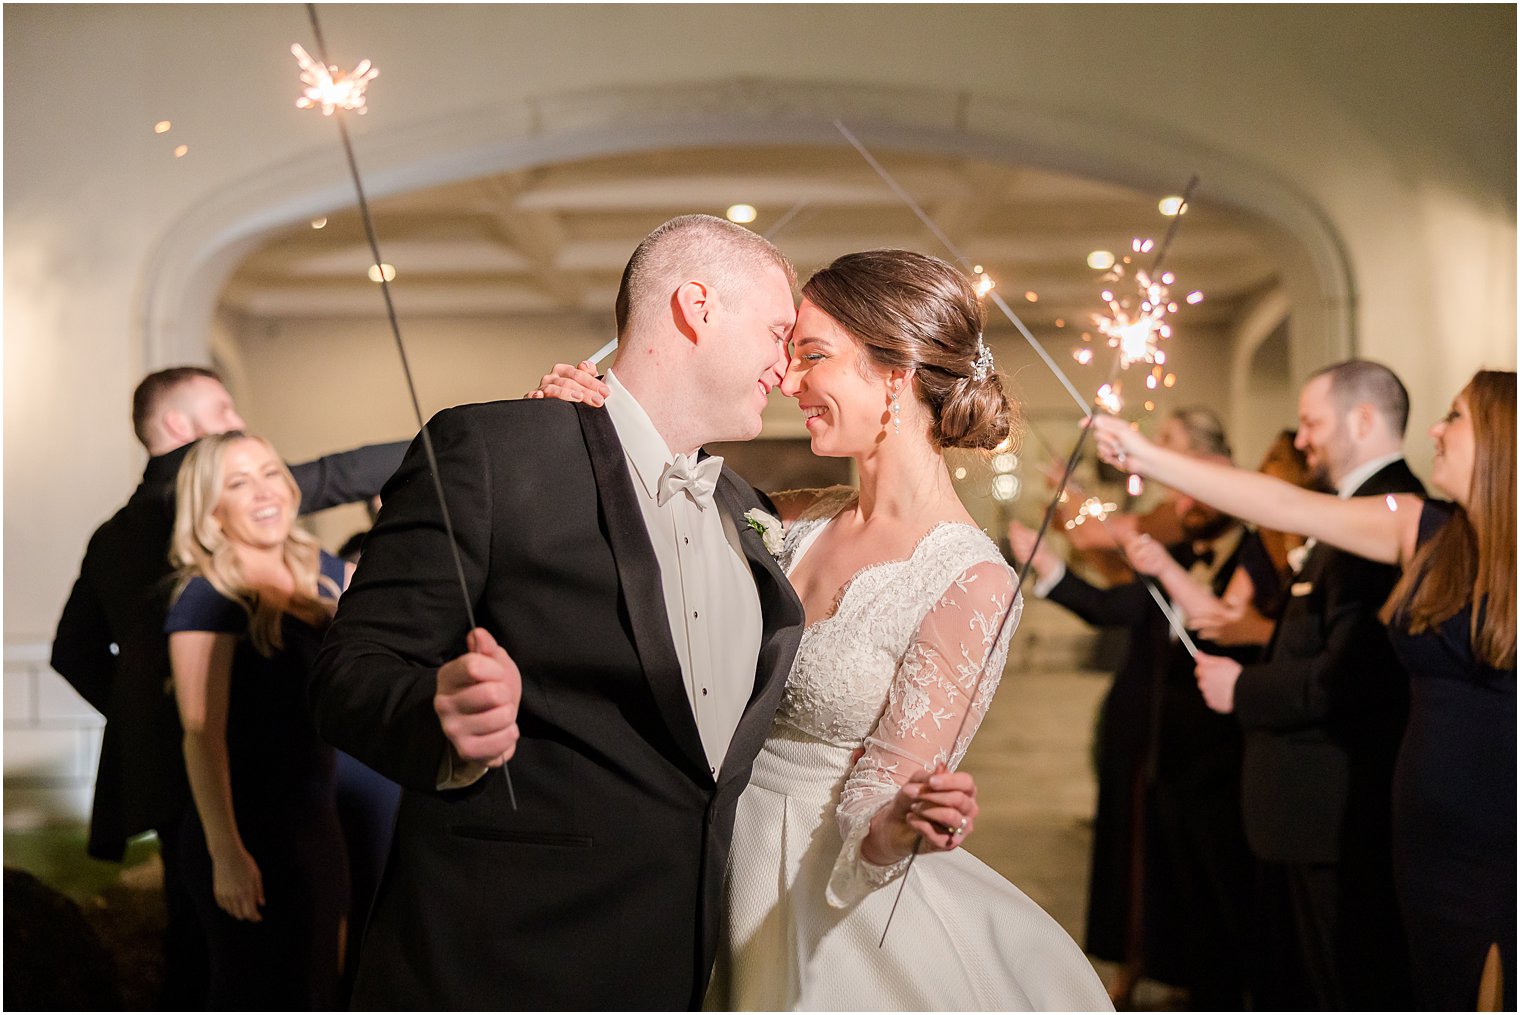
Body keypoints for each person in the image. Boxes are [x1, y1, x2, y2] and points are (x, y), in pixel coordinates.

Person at [539, 248, 1112, 1010]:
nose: (790, 380)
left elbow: (875, 803)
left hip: (820, 894)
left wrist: (905, 822)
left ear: (895, 373)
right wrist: (587, 426)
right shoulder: (789, 516)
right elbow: (647, 521)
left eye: (812, 356)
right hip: (699, 853)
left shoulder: (973, 581)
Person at [311, 215, 809, 1010]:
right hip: (508, 960)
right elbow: (349, 671)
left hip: (689, 963)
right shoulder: (492, 450)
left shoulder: (743, 507)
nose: (786, 369)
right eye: (779, 332)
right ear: (697, 306)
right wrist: (439, 714)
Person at [1093, 368, 1516, 1011]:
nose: (1436, 428)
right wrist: (1149, 456)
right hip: (1421, 829)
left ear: (1501, 439)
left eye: (1455, 417)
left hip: (1498, 830)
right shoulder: (1421, 528)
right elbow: (1282, 505)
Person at [49, 365, 405, 1006]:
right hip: (244, 790)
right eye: (222, 408)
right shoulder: (222, 506)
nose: (238, 421)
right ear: (180, 429)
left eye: (268, 474)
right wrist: (465, 432)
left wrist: (145, 716)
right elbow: (346, 471)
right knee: (255, 968)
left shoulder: (113, 535)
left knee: (208, 961)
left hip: (226, 785)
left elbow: (71, 652)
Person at [1012, 473, 1264, 1008]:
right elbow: (1118, 608)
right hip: (1158, 739)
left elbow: (1220, 625)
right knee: (1156, 866)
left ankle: (1217, 986)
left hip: (1220, 743)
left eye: (1197, 487)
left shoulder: (1252, 555)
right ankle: (1169, 972)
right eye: (1182, 492)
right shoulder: (1173, 549)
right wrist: (1051, 569)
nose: (1185, 499)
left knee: (1212, 877)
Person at [165, 432, 352, 1008]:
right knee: (256, 991)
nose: (264, 492)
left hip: (318, 821)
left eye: (271, 473)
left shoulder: (322, 572)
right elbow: (200, 732)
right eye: (239, 484)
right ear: (211, 508)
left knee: (321, 985)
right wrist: (226, 852)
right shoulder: (208, 595)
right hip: (246, 831)